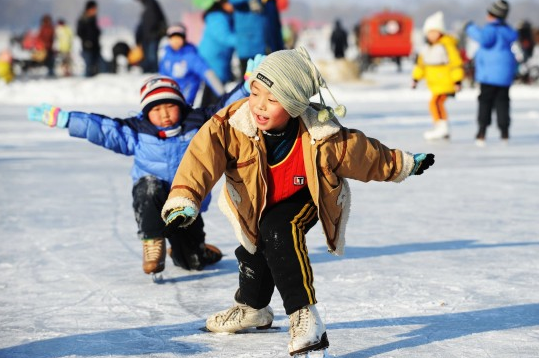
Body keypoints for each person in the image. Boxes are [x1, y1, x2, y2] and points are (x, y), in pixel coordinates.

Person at [161, 47, 435, 356]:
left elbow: (363, 155)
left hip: (303, 196)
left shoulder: (322, 133)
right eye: (255, 93)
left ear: (293, 105)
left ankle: (305, 317)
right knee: (253, 248)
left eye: (273, 99)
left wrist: (402, 164)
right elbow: (200, 159)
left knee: (279, 231)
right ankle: (253, 307)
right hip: (254, 201)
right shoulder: (230, 125)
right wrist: (185, 197)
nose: (259, 106)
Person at [26, 74, 252, 276]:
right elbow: (104, 129)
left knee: (191, 263)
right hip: (151, 195)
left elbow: (225, 109)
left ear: (181, 105)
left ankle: (196, 251)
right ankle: (153, 242)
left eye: (170, 107)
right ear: (146, 112)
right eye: (156, 109)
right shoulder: (137, 131)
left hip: (186, 203)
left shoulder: (198, 123)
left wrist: (246, 85)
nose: (164, 115)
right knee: (149, 186)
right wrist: (66, 119)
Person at [465, 0, 518, 146]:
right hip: (504, 74)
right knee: (503, 102)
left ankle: (481, 132)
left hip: (489, 74)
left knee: (485, 102)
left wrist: (470, 28)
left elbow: (484, 40)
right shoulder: (508, 30)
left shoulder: (490, 29)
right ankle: (504, 132)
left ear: (493, 15)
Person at [412, 11, 464, 141]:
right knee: (436, 103)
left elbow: (455, 63)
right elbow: (421, 65)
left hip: (446, 82)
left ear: (440, 32)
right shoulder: (427, 48)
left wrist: (457, 80)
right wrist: (415, 79)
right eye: (429, 32)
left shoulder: (446, 45)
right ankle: (441, 127)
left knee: (435, 102)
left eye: (434, 32)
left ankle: (442, 127)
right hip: (434, 84)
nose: (432, 35)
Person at [159, 24, 225, 106]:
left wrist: (222, 93)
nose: (176, 41)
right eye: (173, 38)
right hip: (170, 96)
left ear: (184, 39)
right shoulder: (166, 55)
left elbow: (207, 73)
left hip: (186, 101)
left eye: (179, 38)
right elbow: (163, 76)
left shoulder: (191, 56)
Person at [198, 0, 237, 107]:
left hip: (218, 57)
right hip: (213, 58)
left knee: (212, 88)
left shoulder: (223, 16)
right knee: (214, 89)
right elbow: (224, 37)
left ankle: (207, 113)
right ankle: (208, 114)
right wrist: (243, 41)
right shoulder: (217, 17)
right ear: (223, 3)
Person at [229, 0, 284, 74]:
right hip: (249, 50)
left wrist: (279, 49)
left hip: (268, 50)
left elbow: (275, 25)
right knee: (249, 83)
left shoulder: (270, 3)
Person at [135, 0, 167, 73]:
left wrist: (159, 32)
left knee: (152, 57)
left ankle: (153, 72)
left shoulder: (152, 5)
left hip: (153, 36)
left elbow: (161, 20)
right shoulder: (146, 7)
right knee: (147, 56)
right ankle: (148, 71)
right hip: (146, 38)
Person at [77, 1, 102, 77]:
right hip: (87, 48)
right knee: (89, 68)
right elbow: (80, 32)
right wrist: (86, 41)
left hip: (95, 47)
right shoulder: (83, 19)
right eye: (94, 9)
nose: (95, 11)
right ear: (89, 9)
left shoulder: (93, 19)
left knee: (97, 68)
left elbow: (96, 32)